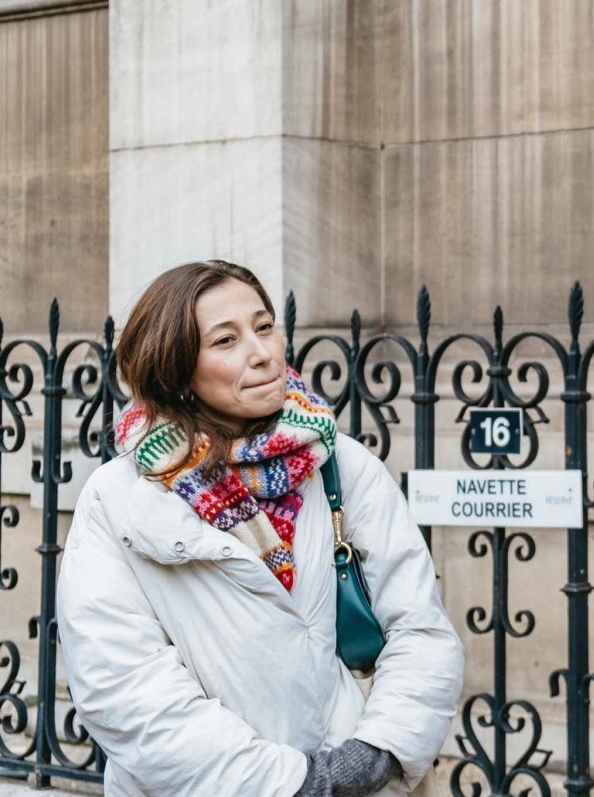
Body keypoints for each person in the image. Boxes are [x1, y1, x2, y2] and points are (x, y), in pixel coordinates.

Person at [58, 260, 465, 796]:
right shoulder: (119, 498)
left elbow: (421, 630)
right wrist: (290, 784)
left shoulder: (342, 464)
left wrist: (374, 757)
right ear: (177, 370)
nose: (263, 353)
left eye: (265, 325)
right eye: (226, 340)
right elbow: (125, 688)